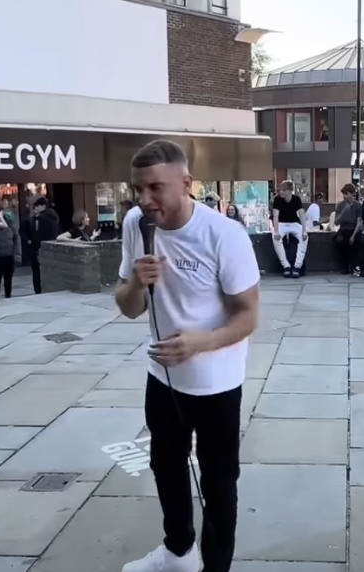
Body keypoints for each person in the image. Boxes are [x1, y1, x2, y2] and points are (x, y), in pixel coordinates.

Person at [117, 140, 260, 572]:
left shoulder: (224, 235)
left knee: (218, 482)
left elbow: (249, 315)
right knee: (165, 465)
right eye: (138, 189)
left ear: (186, 183)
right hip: (161, 376)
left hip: (216, 382)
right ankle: (178, 552)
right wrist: (136, 282)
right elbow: (128, 307)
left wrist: (201, 342)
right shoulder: (136, 224)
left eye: (155, 188)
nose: (145, 199)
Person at [270, 181, 307, 278]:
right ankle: (286, 266)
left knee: (304, 238)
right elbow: (275, 216)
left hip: (294, 223)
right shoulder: (277, 199)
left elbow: (302, 215)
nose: (280, 192)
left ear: (290, 191)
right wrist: (276, 231)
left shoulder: (296, 199)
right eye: (280, 190)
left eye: (283, 190)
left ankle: (297, 266)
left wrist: (304, 231)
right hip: (281, 223)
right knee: (276, 238)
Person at [24, 197, 61, 294]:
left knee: (38, 273)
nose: (35, 209)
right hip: (48, 248)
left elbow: (37, 234)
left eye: (36, 206)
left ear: (43, 206)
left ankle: (39, 291)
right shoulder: (52, 217)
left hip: (40, 249)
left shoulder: (40, 218)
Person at [329, 184, 360, 275]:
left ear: (352, 194)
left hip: (354, 229)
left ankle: (356, 265)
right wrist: (343, 212)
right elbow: (336, 222)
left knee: (362, 241)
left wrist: (353, 236)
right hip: (343, 229)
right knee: (340, 240)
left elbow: (359, 222)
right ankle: (344, 266)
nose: (344, 196)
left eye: (347, 194)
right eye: (344, 194)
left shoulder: (358, 205)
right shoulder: (340, 205)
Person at [0, 207, 18, 299]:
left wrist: (17, 253)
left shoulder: (10, 223)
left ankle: (8, 296)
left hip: (9, 255)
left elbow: (16, 238)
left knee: (8, 279)